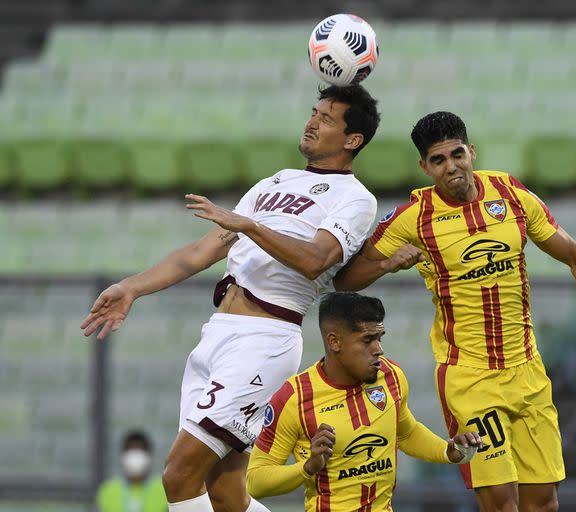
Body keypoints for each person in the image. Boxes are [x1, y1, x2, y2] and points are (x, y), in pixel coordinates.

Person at [81, 85, 382, 512]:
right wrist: (133, 287)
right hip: (217, 335)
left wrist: (251, 226)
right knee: (223, 493)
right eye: (313, 113)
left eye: (327, 119)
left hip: (264, 338)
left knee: (178, 477)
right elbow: (200, 252)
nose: (312, 122)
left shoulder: (354, 198)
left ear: (353, 140)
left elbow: (317, 261)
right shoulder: (273, 183)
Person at [333, 111, 576, 512]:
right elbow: (346, 279)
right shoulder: (413, 218)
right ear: (425, 167)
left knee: (543, 503)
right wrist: (388, 264)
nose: (451, 167)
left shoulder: (509, 193)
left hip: (527, 371)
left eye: (457, 154)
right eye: (438, 161)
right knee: (501, 503)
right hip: (470, 378)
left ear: (471, 152)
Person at [246, 291, 483, 511]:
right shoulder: (294, 397)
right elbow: (255, 481)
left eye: (379, 338)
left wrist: (448, 450)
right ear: (334, 342)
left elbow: (406, 433)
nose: (379, 349)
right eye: (367, 340)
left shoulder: (391, 376)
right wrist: (308, 467)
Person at [95, 430, 167, 512]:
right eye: (131, 449)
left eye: (140, 449)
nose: (135, 456)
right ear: (123, 455)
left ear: (149, 455)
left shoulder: (165, 490)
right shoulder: (108, 490)